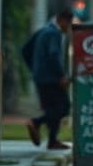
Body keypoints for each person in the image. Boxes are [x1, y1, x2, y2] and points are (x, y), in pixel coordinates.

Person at [25, 9, 73, 150]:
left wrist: (34, 68)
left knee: (52, 109)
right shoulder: (54, 33)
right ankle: (36, 122)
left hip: (41, 77)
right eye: (68, 24)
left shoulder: (42, 31)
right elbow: (53, 55)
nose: (68, 28)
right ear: (62, 20)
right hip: (51, 79)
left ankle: (52, 141)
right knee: (64, 107)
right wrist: (61, 76)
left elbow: (25, 50)